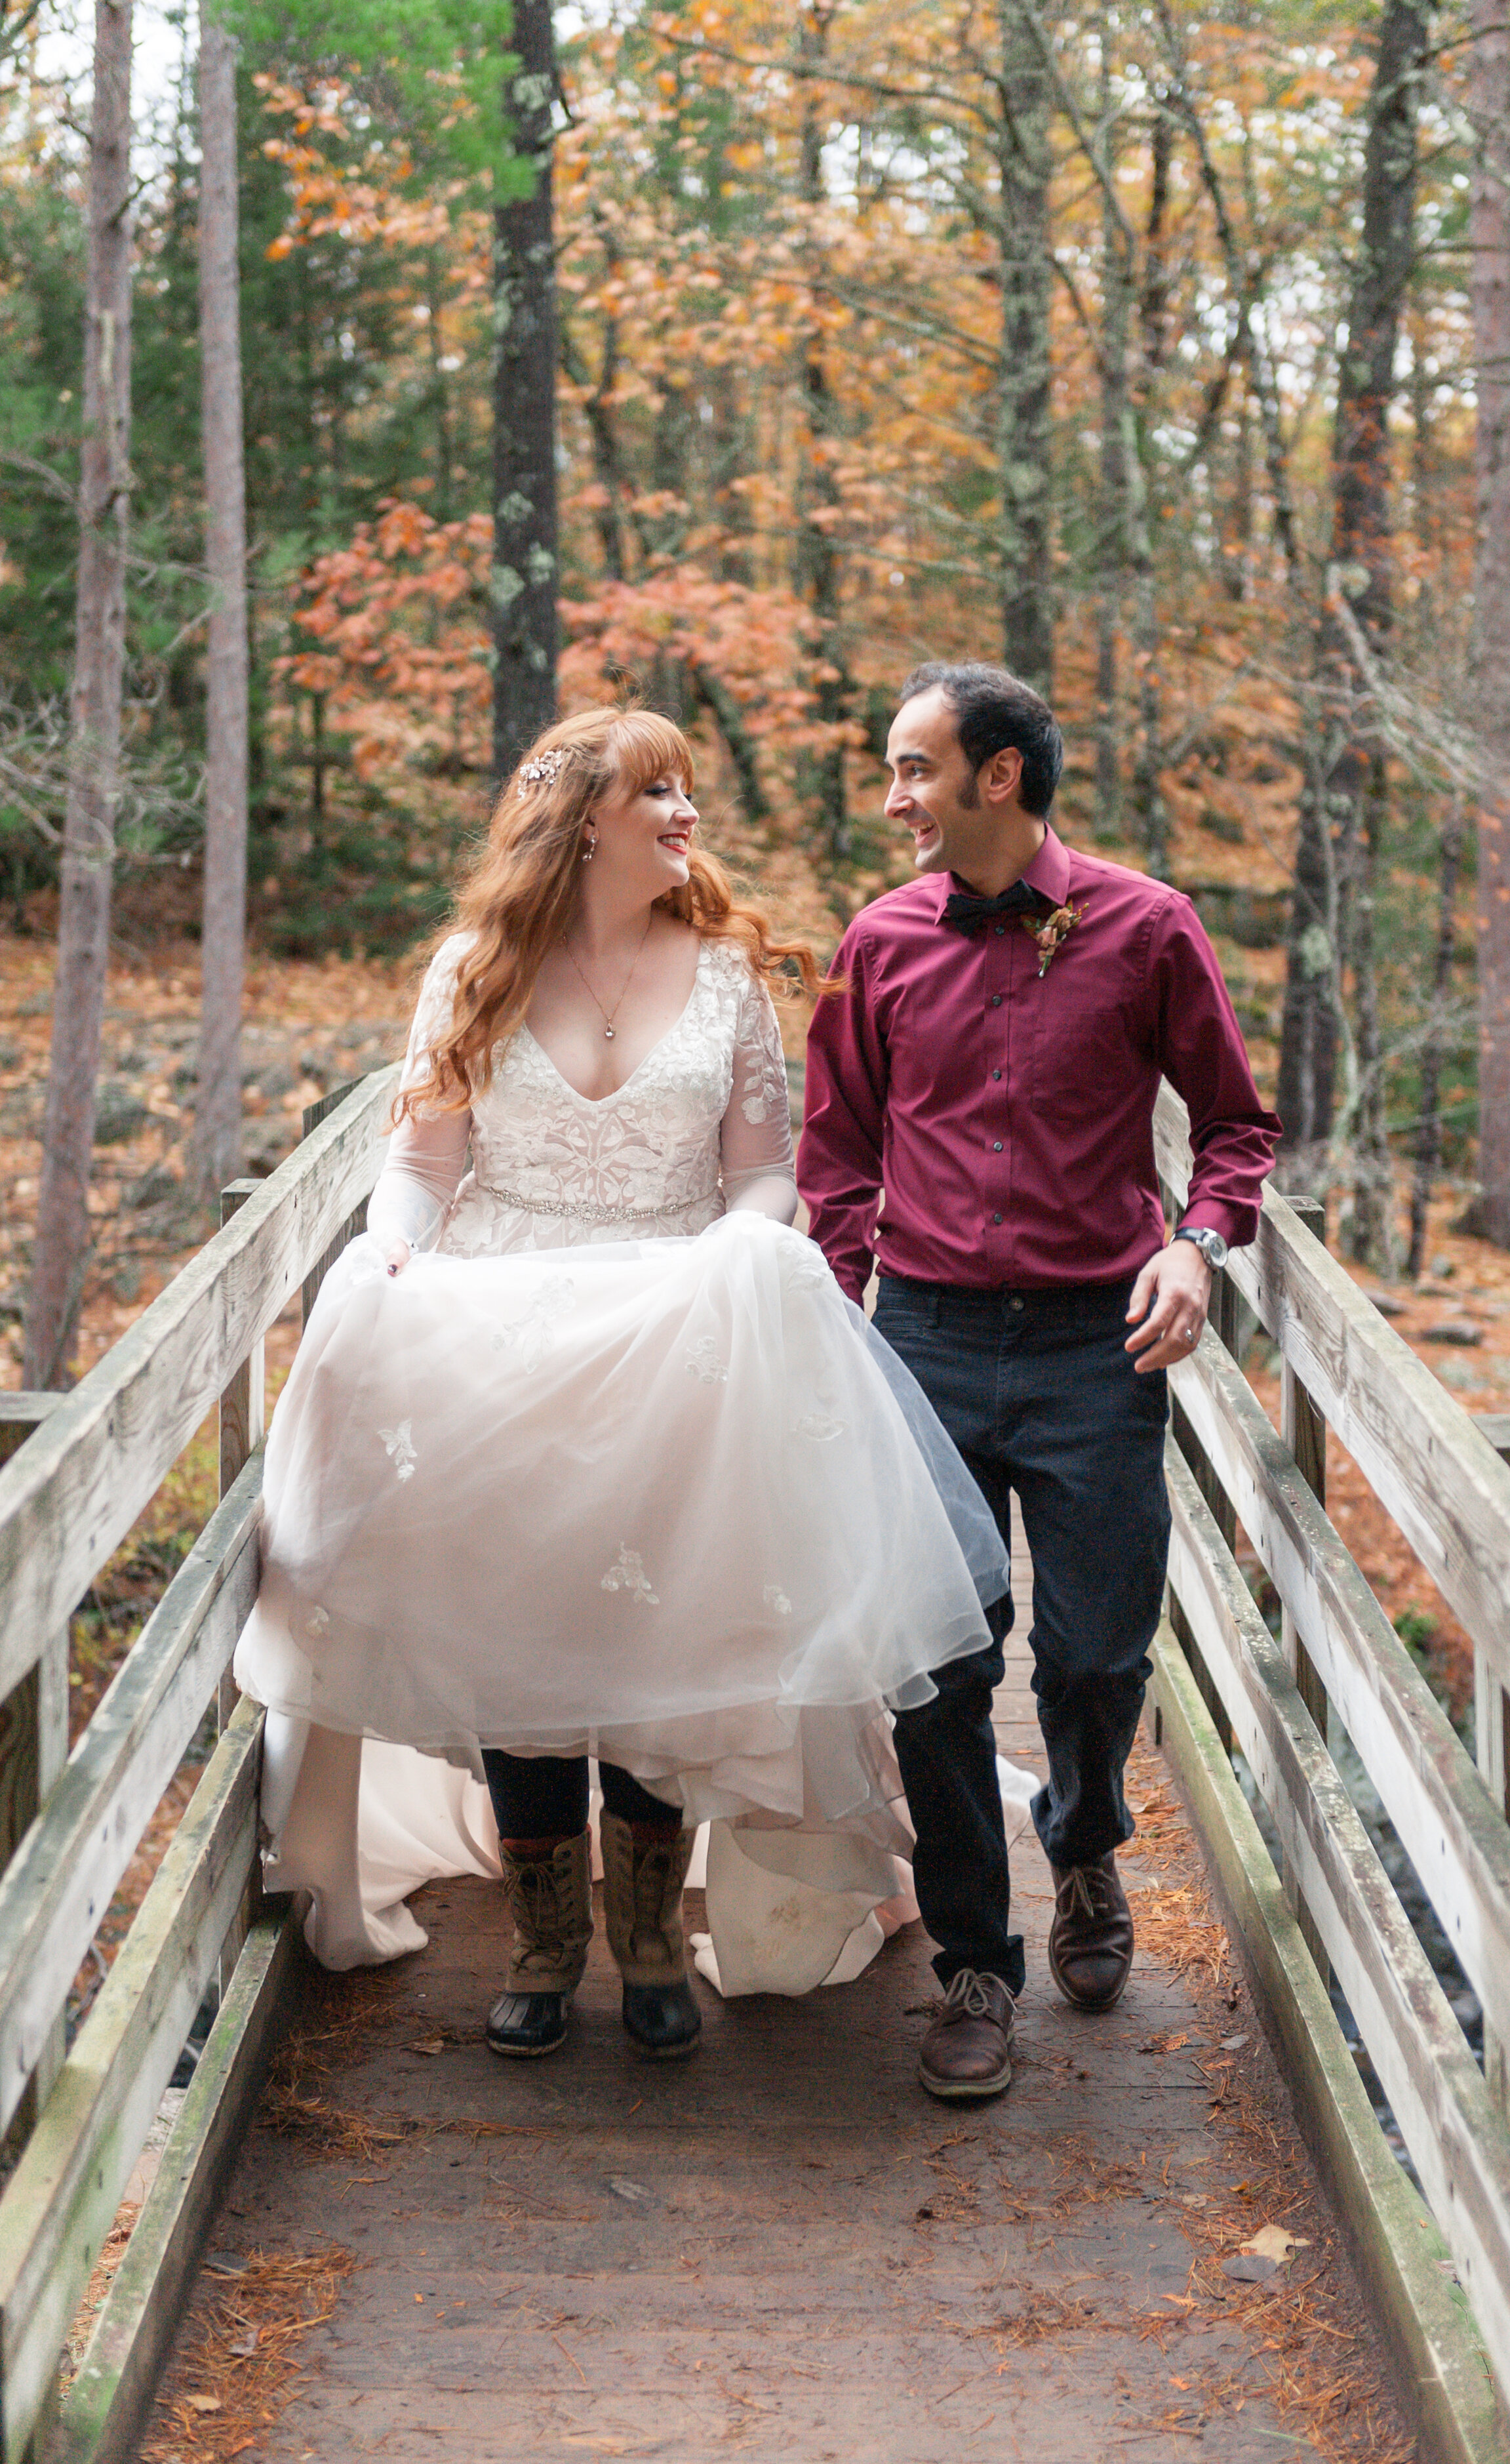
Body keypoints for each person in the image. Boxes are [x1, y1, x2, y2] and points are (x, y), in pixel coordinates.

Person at [235, 706, 1009, 2065]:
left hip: (672, 1335)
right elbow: (419, 1167)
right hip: (503, 1337)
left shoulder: (719, 975)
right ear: (584, 817)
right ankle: (545, 1945)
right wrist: (395, 1259)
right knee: (530, 1625)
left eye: (688, 787)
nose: (685, 811)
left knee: (658, 1641)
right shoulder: (474, 964)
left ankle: (648, 1941)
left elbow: (764, 1172)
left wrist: (738, 1246)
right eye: (657, 789)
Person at [799, 662, 1281, 2101]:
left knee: (1090, 1654)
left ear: (995, 774)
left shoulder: (1146, 926)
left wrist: (1197, 1244)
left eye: (911, 768)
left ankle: (1081, 1843)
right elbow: (836, 1158)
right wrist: (833, 1320)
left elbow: (1238, 1130)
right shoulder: (876, 942)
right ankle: (971, 1962)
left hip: (1097, 1343)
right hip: (926, 1342)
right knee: (939, 1666)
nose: (891, 798)